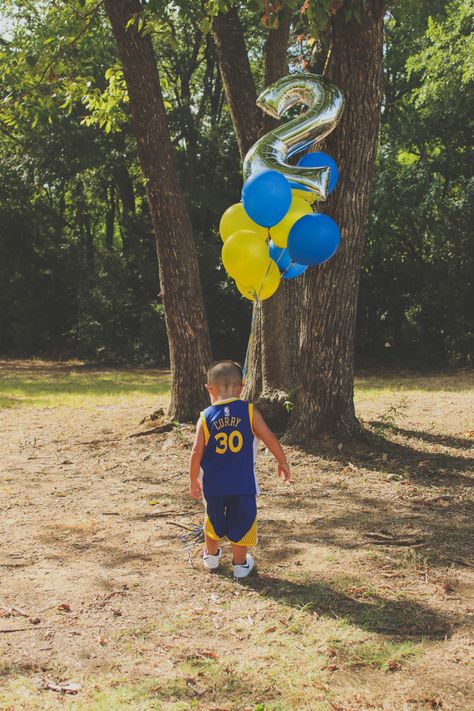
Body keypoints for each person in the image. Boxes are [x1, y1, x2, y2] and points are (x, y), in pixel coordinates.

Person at [189, 360, 291, 578]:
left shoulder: (205, 417)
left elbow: (196, 452)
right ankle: (240, 564)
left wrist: (192, 479)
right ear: (241, 387)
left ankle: (211, 557)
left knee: (213, 519)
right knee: (242, 522)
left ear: (209, 389)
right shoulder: (250, 412)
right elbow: (269, 437)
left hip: (213, 486)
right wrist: (282, 461)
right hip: (243, 485)